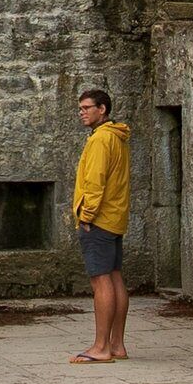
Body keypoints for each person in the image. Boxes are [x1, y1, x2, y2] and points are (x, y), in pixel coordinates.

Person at [69, 87, 131, 363]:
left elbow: (95, 181)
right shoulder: (116, 136)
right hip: (114, 216)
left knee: (101, 280)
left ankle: (101, 346)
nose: (82, 113)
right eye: (81, 108)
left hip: (100, 219)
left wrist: (86, 215)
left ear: (102, 109)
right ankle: (116, 343)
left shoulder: (100, 140)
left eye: (86, 108)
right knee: (115, 276)